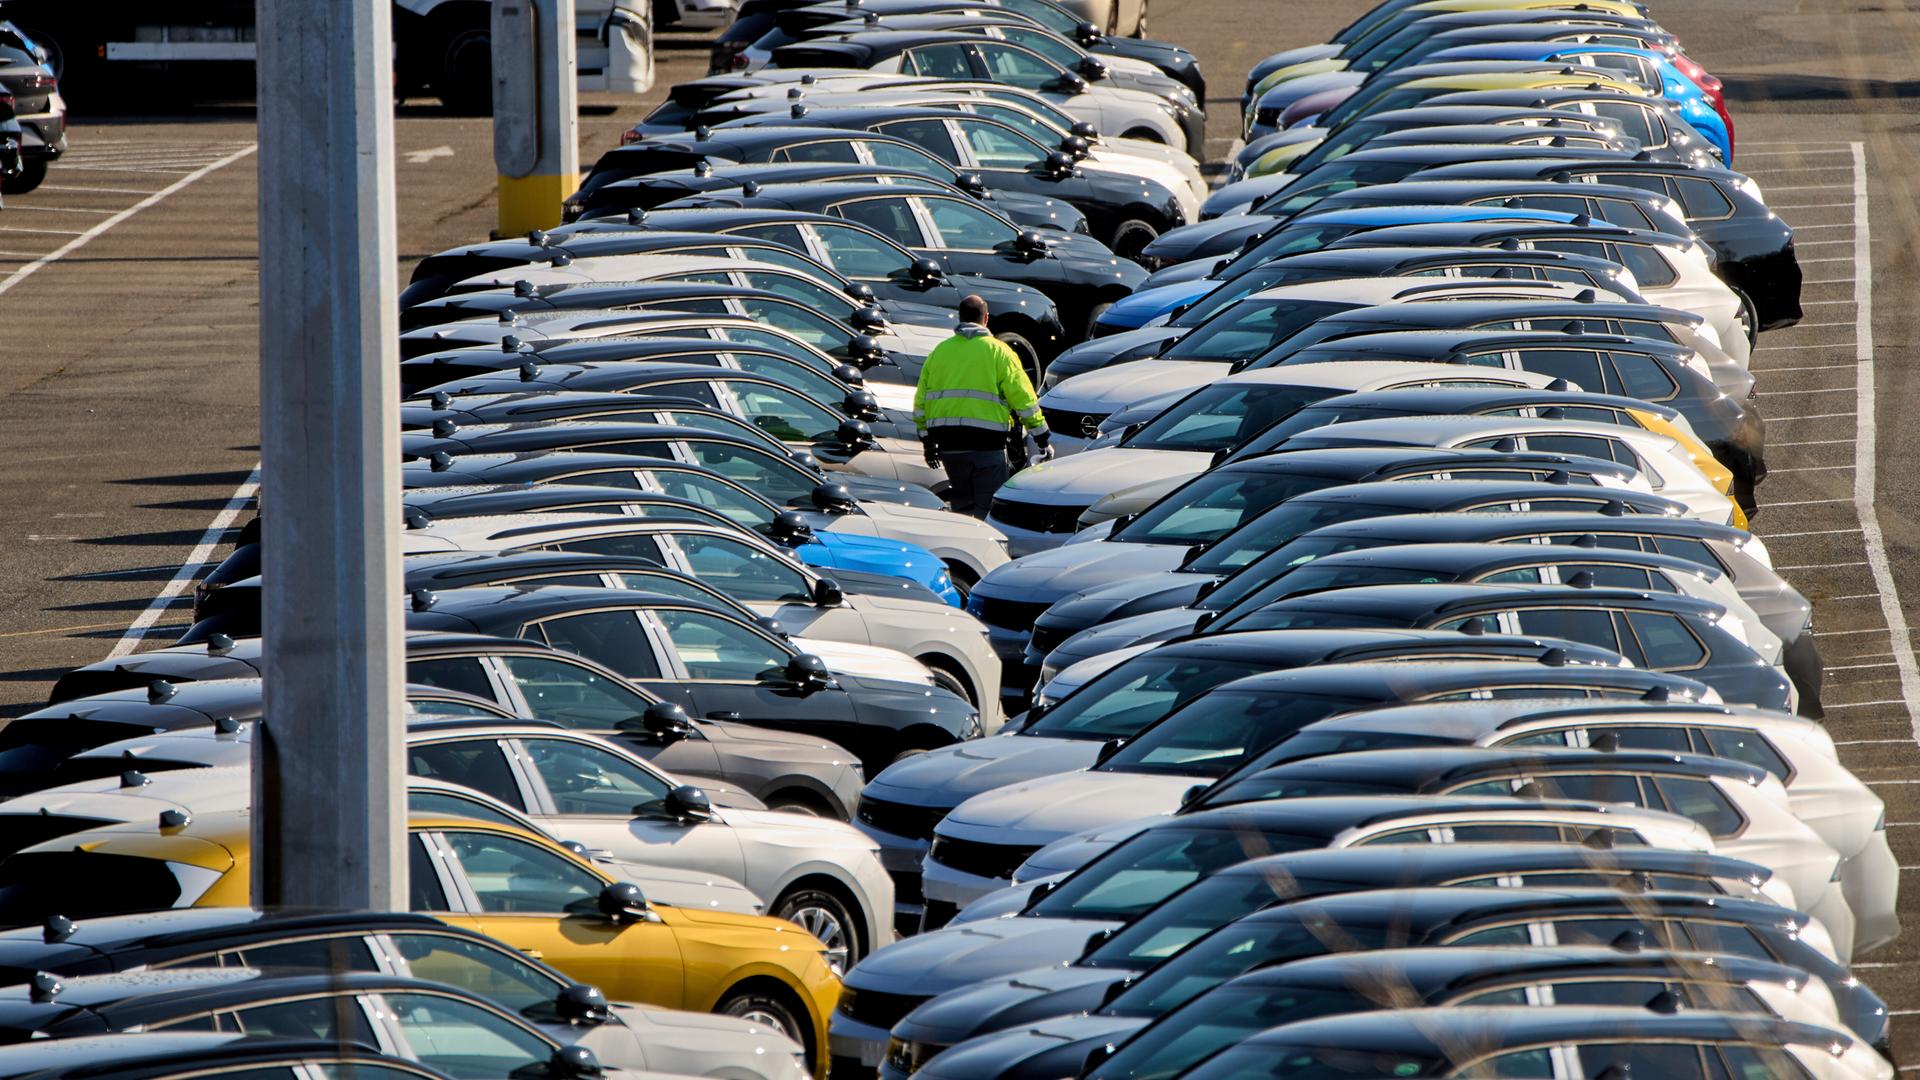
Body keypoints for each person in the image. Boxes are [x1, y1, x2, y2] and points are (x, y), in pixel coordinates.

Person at [913, 295, 1051, 518]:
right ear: (986, 319)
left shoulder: (940, 352)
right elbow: (1023, 399)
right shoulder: (1000, 352)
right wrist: (1041, 435)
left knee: (962, 509)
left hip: (949, 448)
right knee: (988, 511)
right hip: (988, 446)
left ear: (960, 318)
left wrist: (927, 442)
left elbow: (921, 403)